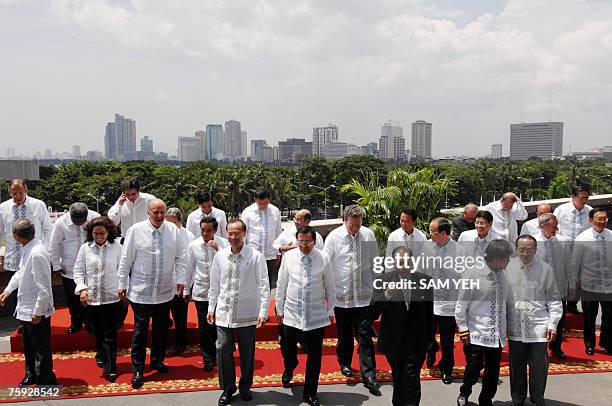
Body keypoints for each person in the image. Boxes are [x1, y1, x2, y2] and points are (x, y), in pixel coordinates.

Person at [117, 199, 187, 389]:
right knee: (140, 331)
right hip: (142, 291)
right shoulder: (136, 230)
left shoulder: (174, 231)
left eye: (162, 212)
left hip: (165, 290)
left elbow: (181, 257)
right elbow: (126, 259)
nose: (159, 216)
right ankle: (138, 369)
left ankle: (157, 361)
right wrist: (122, 282)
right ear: (148, 213)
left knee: (161, 329)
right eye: (155, 212)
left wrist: (181, 279)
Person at [207, 219, 270, 405]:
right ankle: (228, 388)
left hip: (247, 312)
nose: (233, 237)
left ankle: (245, 387)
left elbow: (264, 285)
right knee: (223, 349)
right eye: (230, 233)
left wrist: (263, 311)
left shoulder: (256, 256)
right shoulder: (220, 256)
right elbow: (215, 284)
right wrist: (211, 308)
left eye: (237, 233)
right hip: (224, 312)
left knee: (246, 353)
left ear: (244, 234)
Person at [323, 205, 380, 395]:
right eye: (352, 225)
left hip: (364, 295)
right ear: (345, 220)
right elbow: (326, 264)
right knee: (345, 334)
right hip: (342, 295)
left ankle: (369, 374)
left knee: (364, 335)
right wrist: (326, 292)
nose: (355, 228)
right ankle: (345, 363)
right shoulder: (333, 237)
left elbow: (375, 262)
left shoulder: (368, 235)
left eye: (358, 224)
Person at [276, 226, 335, 406]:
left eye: (308, 241)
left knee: (315, 356)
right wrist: (279, 309)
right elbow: (281, 285)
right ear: (297, 241)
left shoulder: (323, 257)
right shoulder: (289, 257)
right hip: (292, 313)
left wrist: (330, 309)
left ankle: (310, 392)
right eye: (301, 241)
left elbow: (330, 287)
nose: (304, 245)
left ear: (314, 241)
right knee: (287, 348)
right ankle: (290, 365)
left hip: (316, 315)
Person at [371, 246, 434, 406]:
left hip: (416, 342)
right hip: (394, 341)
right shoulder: (383, 280)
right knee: (398, 379)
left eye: (407, 261)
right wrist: (386, 294)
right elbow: (372, 312)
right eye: (400, 262)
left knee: (412, 379)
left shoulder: (425, 280)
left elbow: (429, 314)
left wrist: (430, 340)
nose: (404, 265)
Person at [506, 235, 562, 406]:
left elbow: (554, 299)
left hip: (538, 324)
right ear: (516, 249)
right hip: (515, 324)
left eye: (529, 250)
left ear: (536, 250)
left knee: (539, 365)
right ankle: (518, 398)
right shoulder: (507, 268)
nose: (525, 253)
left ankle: (538, 397)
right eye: (521, 249)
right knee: (516, 365)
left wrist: (553, 323)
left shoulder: (545, 269)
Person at [455, 239, 513, 406]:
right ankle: (464, 393)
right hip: (476, 332)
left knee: (493, 372)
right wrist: (463, 328)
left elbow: (508, 301)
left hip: (497, 334)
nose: (508, 262)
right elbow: (461, 305)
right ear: (497, 259)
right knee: (473, 368)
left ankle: (486, 399)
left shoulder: (503, 273)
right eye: (506, 259)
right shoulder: (472, 274)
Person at [0, 219, 56, 386]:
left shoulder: (37, 252)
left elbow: (45, 288)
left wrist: (38, 311)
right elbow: (20, 273)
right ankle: (31, 374)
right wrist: (8, 290)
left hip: (35, 309)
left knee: (41, 347)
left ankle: (45, 380)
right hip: (25, 306)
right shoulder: (28, 249)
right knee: (28, 345)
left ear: (16, 236)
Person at [73, 216, 122, 382]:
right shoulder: (85, 248)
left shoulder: (117, 248)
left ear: (109, 232)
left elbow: (123, 270)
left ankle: (111, 367)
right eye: (95, 233)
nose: (99, 236)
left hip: (112, 298)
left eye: (102, 233)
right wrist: (82, 289)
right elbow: (78, 271)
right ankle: (101, 353)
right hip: (92, 299)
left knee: (110, 334)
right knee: (97, 332)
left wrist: (124, 290)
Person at [423, 217, 467, 384]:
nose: (430, 234)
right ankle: (431, 351)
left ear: (443, 233)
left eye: (432, 231)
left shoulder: (459, 249)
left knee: (447, 339)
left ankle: (447, 368)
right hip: (429, 299)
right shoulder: (427, 246)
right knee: (428, 334)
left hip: (449, 301)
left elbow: (463, 274)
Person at [0, 180, 51, 317]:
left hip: (34, 255)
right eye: (14, 193)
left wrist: (44, 251)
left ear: (26, 190)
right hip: (13, 256)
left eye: (20, 193)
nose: (17, 196)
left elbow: (47, 229)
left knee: (35, 287)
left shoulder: (38, 205)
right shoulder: (3, 207)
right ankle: (22, 320)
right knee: (16, 290)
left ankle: (38, 314)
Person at [184, 216, 228, 372]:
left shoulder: (224, 244)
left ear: (215, 230)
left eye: (209, 230)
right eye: (203, 230)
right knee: (204, 326)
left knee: (220, 324)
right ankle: (207, 357)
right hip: (202, 292)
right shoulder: (193, 245)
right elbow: (188, 268)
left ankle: (221, 352)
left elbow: (232, 262)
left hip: (221, 292)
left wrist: (219, 250)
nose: (205, 233)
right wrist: (185, 289)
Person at [48, 202, 100, 334]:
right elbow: (54, 245)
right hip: (69, 267)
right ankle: (76, 322)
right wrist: (56, 266)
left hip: (91, 266)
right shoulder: (61, 223)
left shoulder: (95, 218)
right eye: (75, 221)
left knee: (92, 296)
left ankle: (90, 322)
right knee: (73, 298)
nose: (79, 223)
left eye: (82, 221)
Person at [570, 207, 612, 356]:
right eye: (599, 219)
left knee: (609, 316)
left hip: (609, 284)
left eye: (605, 218)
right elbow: (575, 263)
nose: (603, 221)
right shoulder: (582, 238)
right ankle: (589, 344)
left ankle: (607, 342)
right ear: (590, 220)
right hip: (589, 284)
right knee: (590, 317)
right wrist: (572, 283)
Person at [534, 213, 574, 360]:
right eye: (554, 226)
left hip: (559, 286)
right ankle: (538, 349)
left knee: (559, 319)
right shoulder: (533, 241)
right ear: (543, 226)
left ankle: (556, 347)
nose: (556, 228)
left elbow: (569, 264)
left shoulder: (562, 241)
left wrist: (572, 284)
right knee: (539, 319)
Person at [554, 185, 592, 314]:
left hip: (582, 249)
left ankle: (572, 304)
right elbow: (554, 227)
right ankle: (560, 306)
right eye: (581, 198)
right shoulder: (561, 210)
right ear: (573, 197)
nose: (584, 200)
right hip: (564, 248)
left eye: (586, 197)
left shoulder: (590, 211)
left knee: (578, 278)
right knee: (562, 276)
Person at [166, 207, 195, 356]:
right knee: (162, 316)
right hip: (164, 282)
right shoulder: (163, 233)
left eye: (173, 222)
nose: (170, 225)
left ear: (180, 221)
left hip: (181, 283)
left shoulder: (188, 236)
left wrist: (187, 284)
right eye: (167, 221)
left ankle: (181, 343)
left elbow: (190, 263)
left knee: (180, 316)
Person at [240, 188, 282, 288]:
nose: (263, 205)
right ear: (255, 199)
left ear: (270, 199)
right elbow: (244, 233)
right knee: (252, 283)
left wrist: (278, 252)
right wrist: (242, 252)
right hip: (252, 254)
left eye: (266, 203)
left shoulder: (275, 211)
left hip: (270, 254)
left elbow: (278, 232)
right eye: (260, 203)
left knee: (268, 283)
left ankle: (266, 303)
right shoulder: (247, 211)